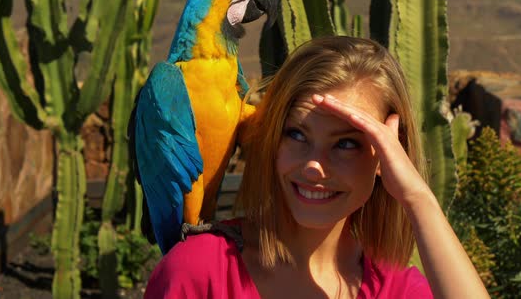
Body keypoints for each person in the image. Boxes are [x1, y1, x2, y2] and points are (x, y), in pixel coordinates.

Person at [144, 36, 489, 298]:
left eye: (347, 143)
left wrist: (418, 198)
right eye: (296, 134)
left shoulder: (394, 288)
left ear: (387, 155)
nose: (314, 166)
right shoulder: (199, 272)